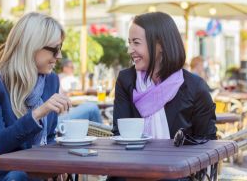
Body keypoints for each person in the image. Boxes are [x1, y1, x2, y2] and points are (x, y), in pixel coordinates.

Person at [109, 12, 216, 181]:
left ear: (160, 44)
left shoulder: (194, 87)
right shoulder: (126, 80)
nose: (130, 50)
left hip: (176, 174)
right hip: (130, 171)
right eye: (129, 43)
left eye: (136, 43)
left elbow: (208, 141)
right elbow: (118, 132)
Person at [0, 12, 72, 181]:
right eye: (54, 49)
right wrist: (38, 114)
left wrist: (59, 162)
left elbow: (49, 137)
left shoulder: (51, 80)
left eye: (60, 48)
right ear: (31, 46)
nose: (59, 56)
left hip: (33, 172)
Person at [57, 58, 102, 124]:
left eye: (73, 67)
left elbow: (80, 89)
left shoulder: (68, 77)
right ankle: (105, 133)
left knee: (91, 107)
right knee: (93, 107)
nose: (73, 69)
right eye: (71, 67)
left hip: (64, 110)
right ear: (64, 68)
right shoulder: (63, 78)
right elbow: (72, 92)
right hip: (63, 113)